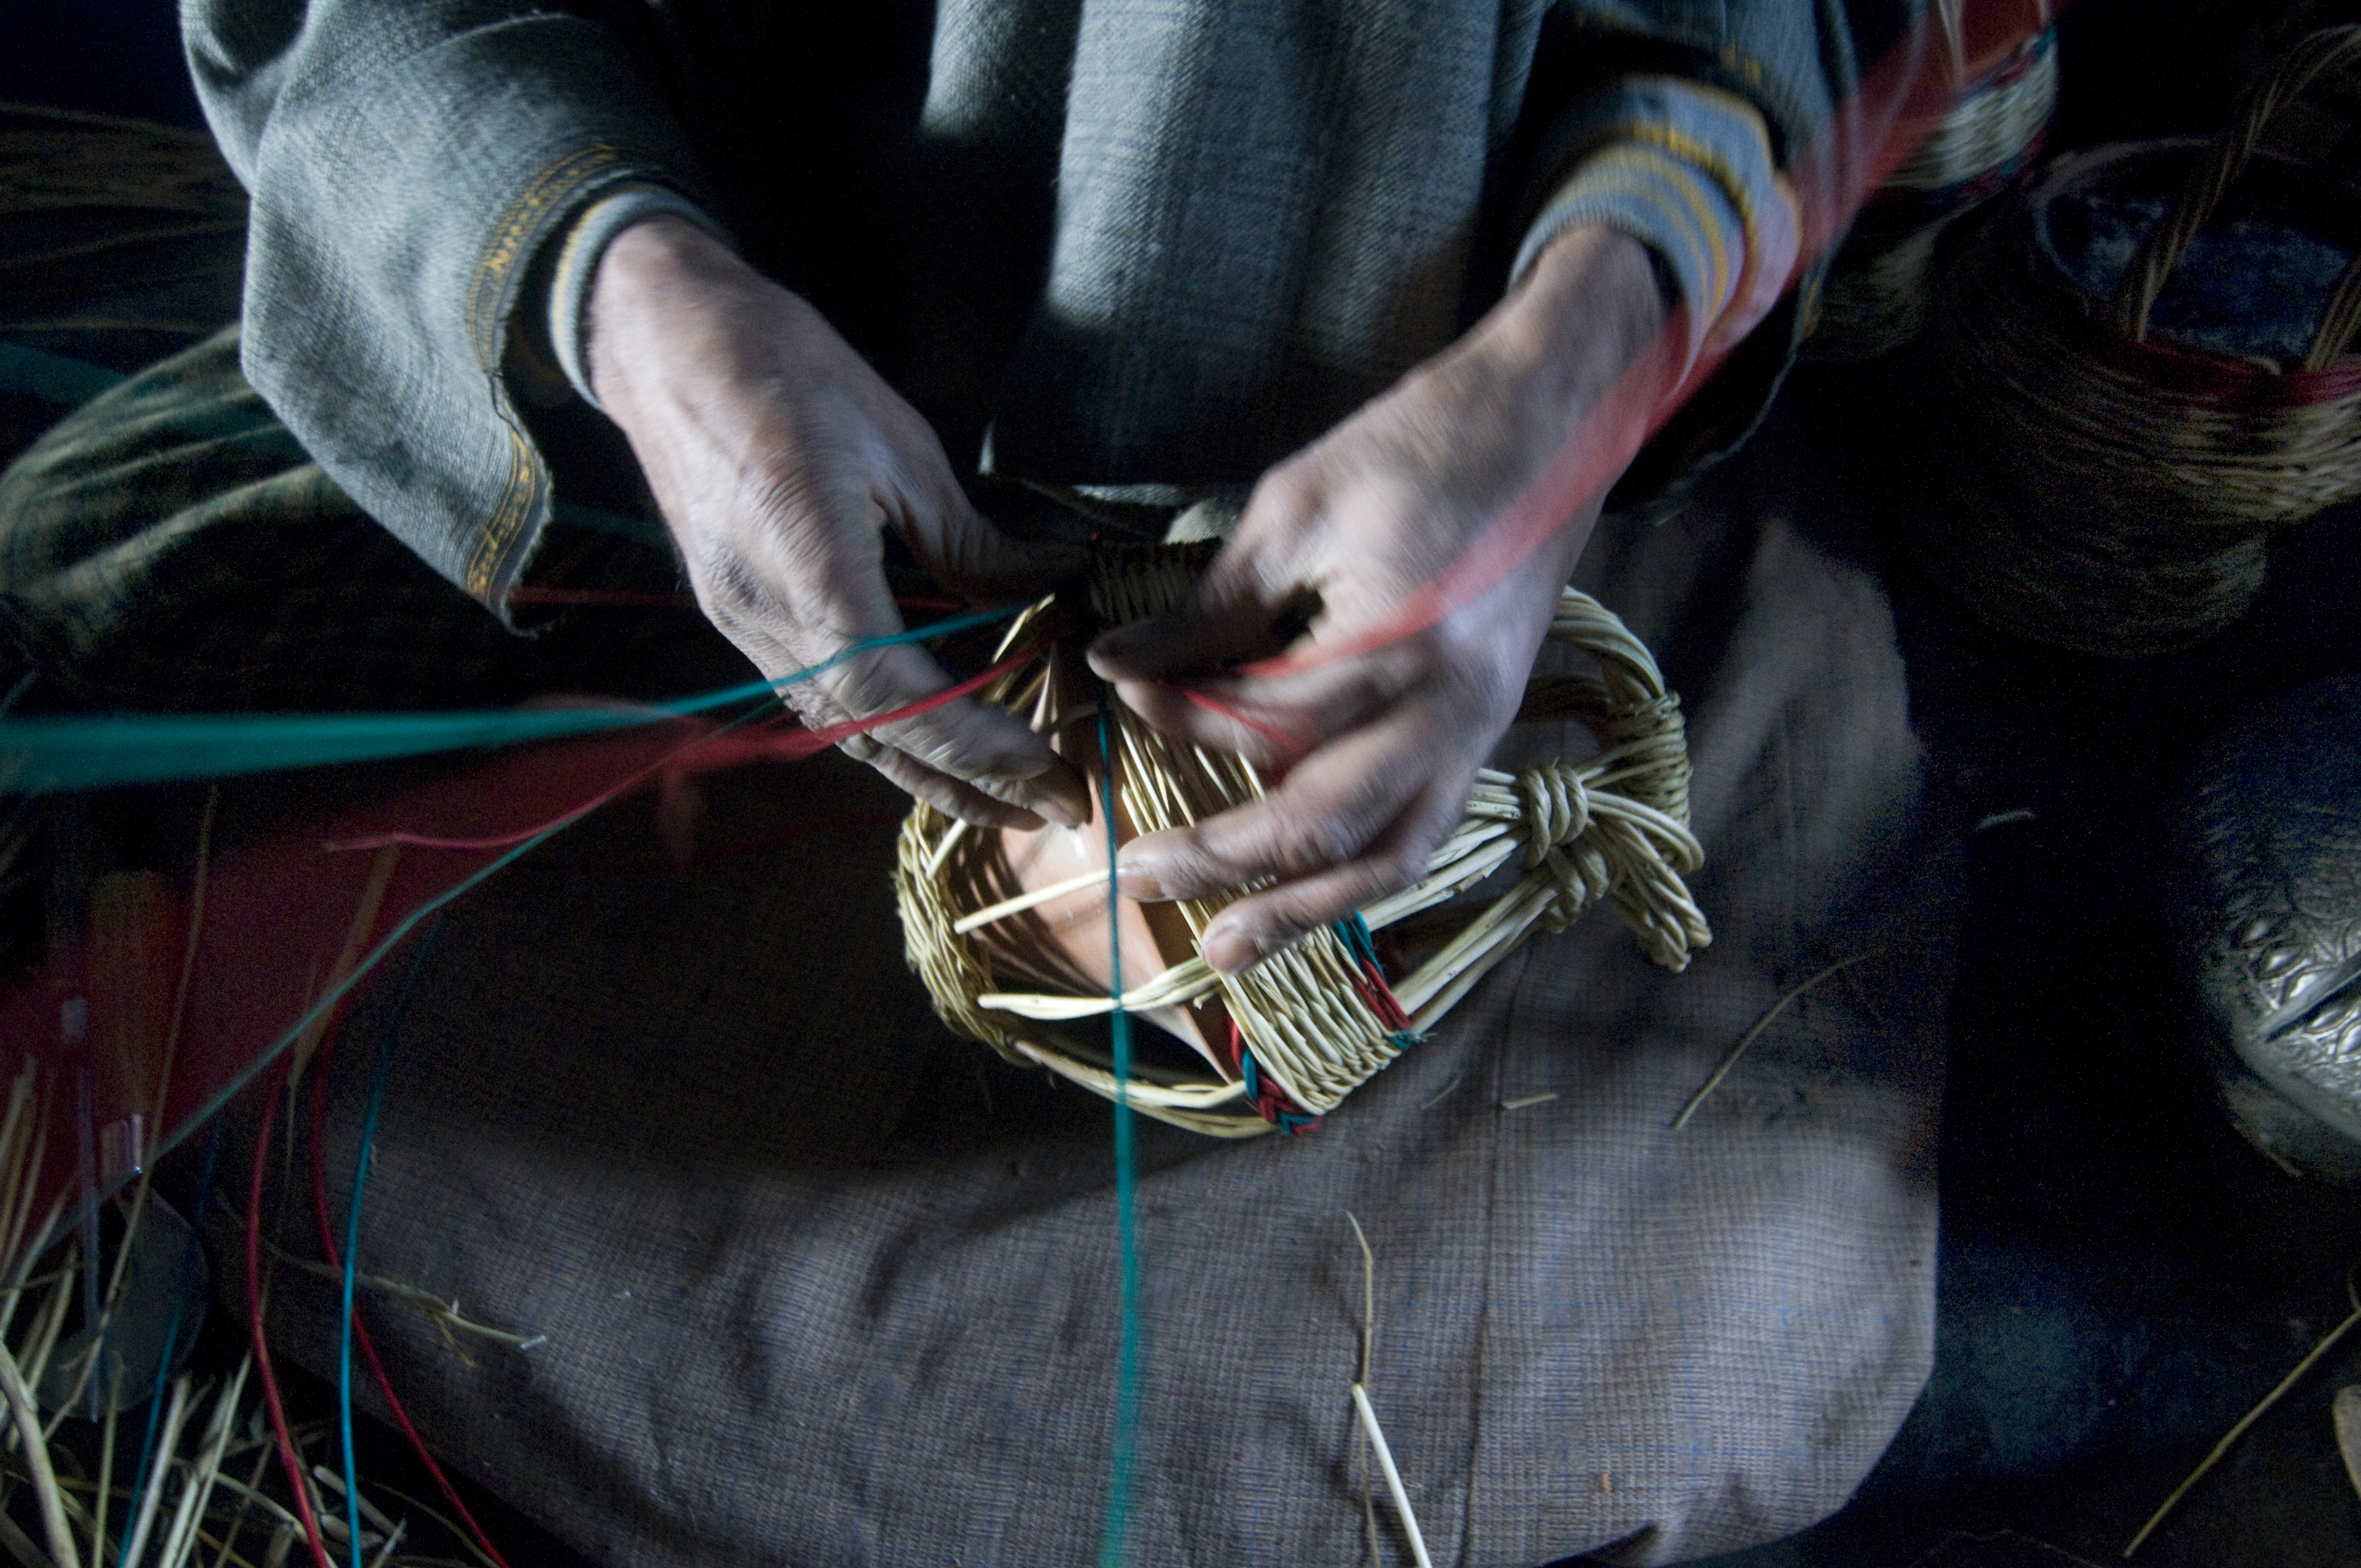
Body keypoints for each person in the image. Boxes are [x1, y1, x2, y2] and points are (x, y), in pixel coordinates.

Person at [3, 2, 1974, 1563]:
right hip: (723, 503)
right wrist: (629, 295)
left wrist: (1573, 361)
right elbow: (342, 31)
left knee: (1744, 1296)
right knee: (263, 988)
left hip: (1473, 532)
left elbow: (1787, 32)